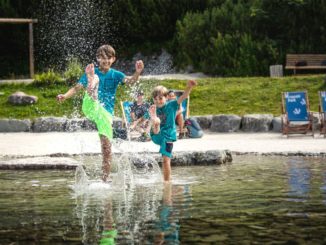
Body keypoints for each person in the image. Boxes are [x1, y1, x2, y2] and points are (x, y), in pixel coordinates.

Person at [57, 44, 144, 182]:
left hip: (105, 114)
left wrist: (137, 72)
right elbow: (77, 88)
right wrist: (65, 96)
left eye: (109, 58)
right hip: (91, 106)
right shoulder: (92, 71)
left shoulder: (116, 75)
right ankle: (92, 85)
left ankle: (105, 178)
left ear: (113, 59)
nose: (106, 61)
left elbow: (130, 82)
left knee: (106, 147)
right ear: (98, 59)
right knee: (93, 86)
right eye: (102, 58)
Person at [149, 80, 197, 182]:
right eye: (155, 99)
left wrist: (189, 87)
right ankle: (155, 122)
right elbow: (143, 120)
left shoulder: (172, 105)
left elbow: (184, 96)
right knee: (154, 122)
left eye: (160, 98)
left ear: (166, 98)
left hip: (168, 137)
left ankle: (167, 182)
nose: (158, 101)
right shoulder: (154, 108)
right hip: (156, 135)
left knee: (166, 160)